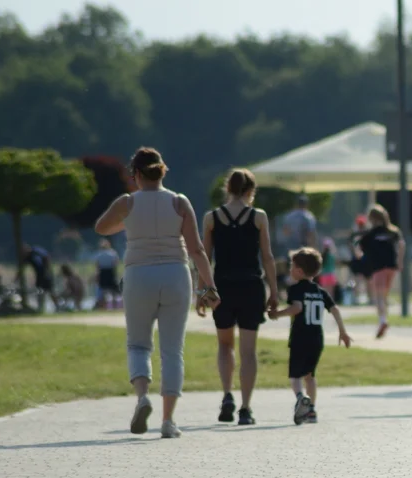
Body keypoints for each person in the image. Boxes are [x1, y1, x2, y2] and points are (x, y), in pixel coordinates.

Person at [94, 146, 220, 439]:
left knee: (138, 345)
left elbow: (101, 227)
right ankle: (168, 421)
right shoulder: (179, 202)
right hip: (176, 274)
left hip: (139, 274)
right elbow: (197, 249)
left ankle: (142, 398)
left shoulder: (127, 202)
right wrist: (209, 287)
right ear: (162, 171)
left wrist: (126, 221)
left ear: (136, 174)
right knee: (172, 350)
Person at [202, 168, 280, 426]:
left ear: (228, 188)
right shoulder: (258, 217)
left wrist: (202, 292)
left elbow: (205, 259)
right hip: (251, 286)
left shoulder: (211, 218)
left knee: (225, 345)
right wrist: (275, 291)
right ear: (250, 191)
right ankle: (246, 408)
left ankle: (227, 395)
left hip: (223, 287)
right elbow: (267, 256)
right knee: (248, 351)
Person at [270, 247, 352, 424]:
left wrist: (277, 314)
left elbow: (297, 308)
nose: (290, 270)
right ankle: (312, 411)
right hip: (317, 339)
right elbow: (335, 309)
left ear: (299, 271)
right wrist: (342, 332)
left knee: (295, 375)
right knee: (310, 375)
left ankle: (301, 397)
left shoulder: (295, 289)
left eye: (292, 267)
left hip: (300, 337)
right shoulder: (320, 291)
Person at [357, 203, 404, 338]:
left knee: (378, 296)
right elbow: (401, 244)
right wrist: (400, 262)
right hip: (391, 266)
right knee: (384, 295)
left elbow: (360, 249)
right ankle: (384, 318)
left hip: (378, 267)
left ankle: (382, 320)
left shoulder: (370, 234)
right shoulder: (393, 231)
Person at [21, 243, 58, 312]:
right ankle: (41, 307)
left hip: (46, 273)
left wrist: (47, 270)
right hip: (39, 276)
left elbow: (46, 257)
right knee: (40, 291)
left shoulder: (36, 251)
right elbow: (21, 268)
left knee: (50, 290)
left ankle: (57, 306)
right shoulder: (26, 258)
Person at [94, 238, 122, 310]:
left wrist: (97, 276)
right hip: (111, 273)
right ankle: (115, 307)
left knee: (102, 293)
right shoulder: (113, 253)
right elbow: (115, 264)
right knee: (114, 293)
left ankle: (102, 308)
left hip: (103, 274)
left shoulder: (98, 254)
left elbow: (97, 266)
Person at [318, 237, 341, 301]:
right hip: (331, 275)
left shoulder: (321, 255)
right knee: (331, 291)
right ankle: (331, 302)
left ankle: (324, 301)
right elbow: (337, 262)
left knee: (324, 290)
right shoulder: (332, 255)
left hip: (323, 275)